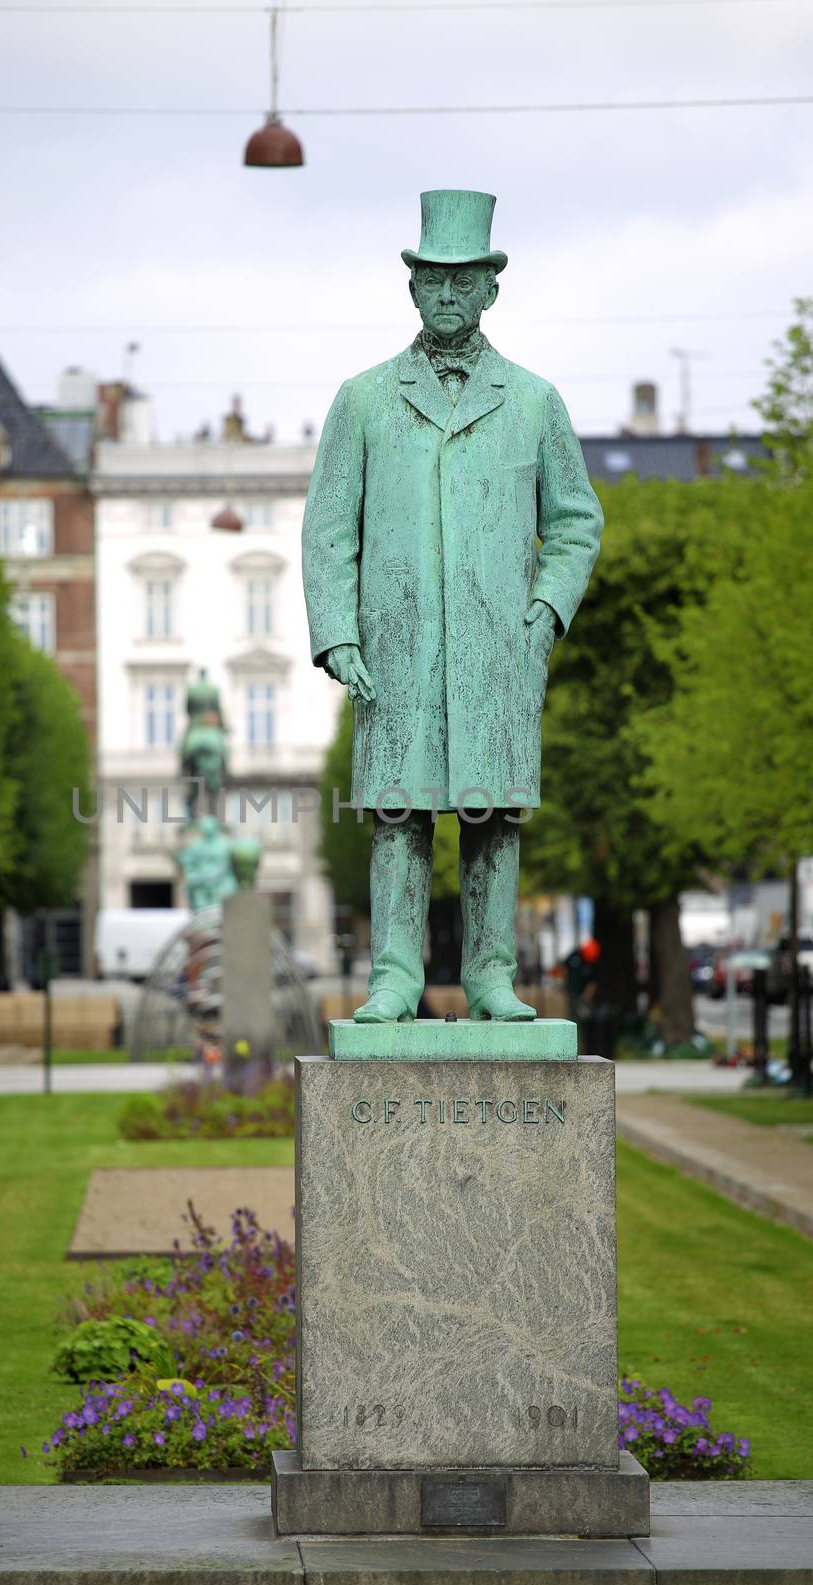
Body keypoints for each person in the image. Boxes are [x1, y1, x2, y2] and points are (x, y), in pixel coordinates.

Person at [302, 190, 603, 1023]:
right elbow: (328, 529)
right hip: (395, 649)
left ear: (489, 292)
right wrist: (337, 634)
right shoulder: (361, 400)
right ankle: (394, 976)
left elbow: (575, 522)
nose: (443, 295)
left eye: (459, 281)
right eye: (430, 280)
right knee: (397, 815)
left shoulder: (534, 402)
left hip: (494, 648)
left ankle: (489, 974)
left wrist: (543, 615)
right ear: (411, 290)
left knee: (494, 816)